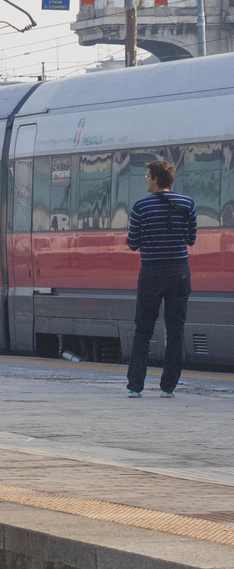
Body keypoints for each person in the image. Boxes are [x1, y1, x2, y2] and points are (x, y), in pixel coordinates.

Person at [124, 158, 196, 397]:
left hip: (152, 272)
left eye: (147, 176)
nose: (145, 180)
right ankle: (168, 387)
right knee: (175, 330)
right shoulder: (188, 203)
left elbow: (133, 243)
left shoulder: (140, 207)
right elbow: (191, 238)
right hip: (179, 271)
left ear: (156, 179)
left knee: (143, 330)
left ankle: (135, 386)